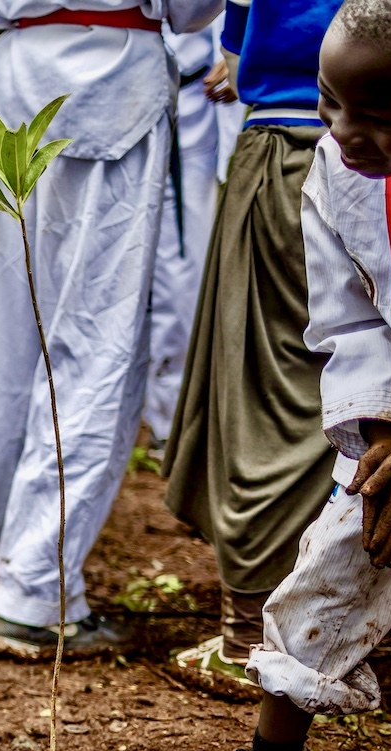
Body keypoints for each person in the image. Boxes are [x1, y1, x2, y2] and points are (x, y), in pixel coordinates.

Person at [182, 0, 391, 751]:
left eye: (381, 118)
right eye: (329, 104)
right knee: (336, 557)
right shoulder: (338, 171)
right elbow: (345, 313)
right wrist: (387, 426)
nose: (345, 133)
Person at [0, 0, 224, 656]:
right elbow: (188, 11)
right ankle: (34, 591)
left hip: (12, 85)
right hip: (112, 90)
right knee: (95, 346)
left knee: (2, 337)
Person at [162, 0, 346, 692]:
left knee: (264, 382)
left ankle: (252, 631)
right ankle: (314, 612)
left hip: (294, 140)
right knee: (343, 375)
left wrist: (242, 43)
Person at [142, 20, 243, 448]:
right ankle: (159, 411)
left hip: (193, 106)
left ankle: (173, 417)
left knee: (182, 271)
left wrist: (239, 53)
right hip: (125, 88)